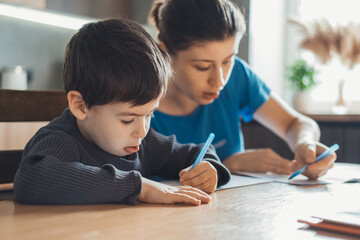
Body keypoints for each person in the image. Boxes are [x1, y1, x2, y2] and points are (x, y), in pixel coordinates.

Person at [13, 18, 231, 205]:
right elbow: (32, 179)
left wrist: (208, 168)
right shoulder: (61, 141)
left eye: (149, 115)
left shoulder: (141, 143)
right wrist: (139, 187)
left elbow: (196, 152)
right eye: (128, 119)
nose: (142, 131)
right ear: (80, 106)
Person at [148, 0, 336, 179]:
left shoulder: (238, 75)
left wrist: (304, 143)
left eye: (227, 61)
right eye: (203, 67)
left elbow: (294, 123)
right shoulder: (137, 104)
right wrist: (226, 165)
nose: (219, 80)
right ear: (164, 54)